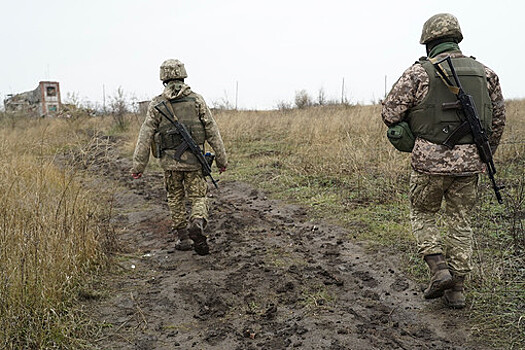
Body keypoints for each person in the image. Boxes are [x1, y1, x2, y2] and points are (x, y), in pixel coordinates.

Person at [381, 13, 505, 308]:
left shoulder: (418, 73)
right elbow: (498, 121)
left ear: (428, 43)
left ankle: (438, 269)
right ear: (456, 38)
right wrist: (483, 155)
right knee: (460, 221)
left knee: (423, 213)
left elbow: (389, 114)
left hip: (428, 164)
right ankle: (457, 290)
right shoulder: (486, 73)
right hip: (469, 166)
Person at [131, 59, 228, 255]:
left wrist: (138, 167)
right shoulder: (196, 100)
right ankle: (198, 221)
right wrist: (221, 160)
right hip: (194, 163)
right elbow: (212, 130)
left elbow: (145, 136)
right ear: (183, 74)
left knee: (175, 197)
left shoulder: (157, 104)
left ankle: (184, 238)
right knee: (199, 197)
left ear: (163, 79)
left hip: (170, 164)